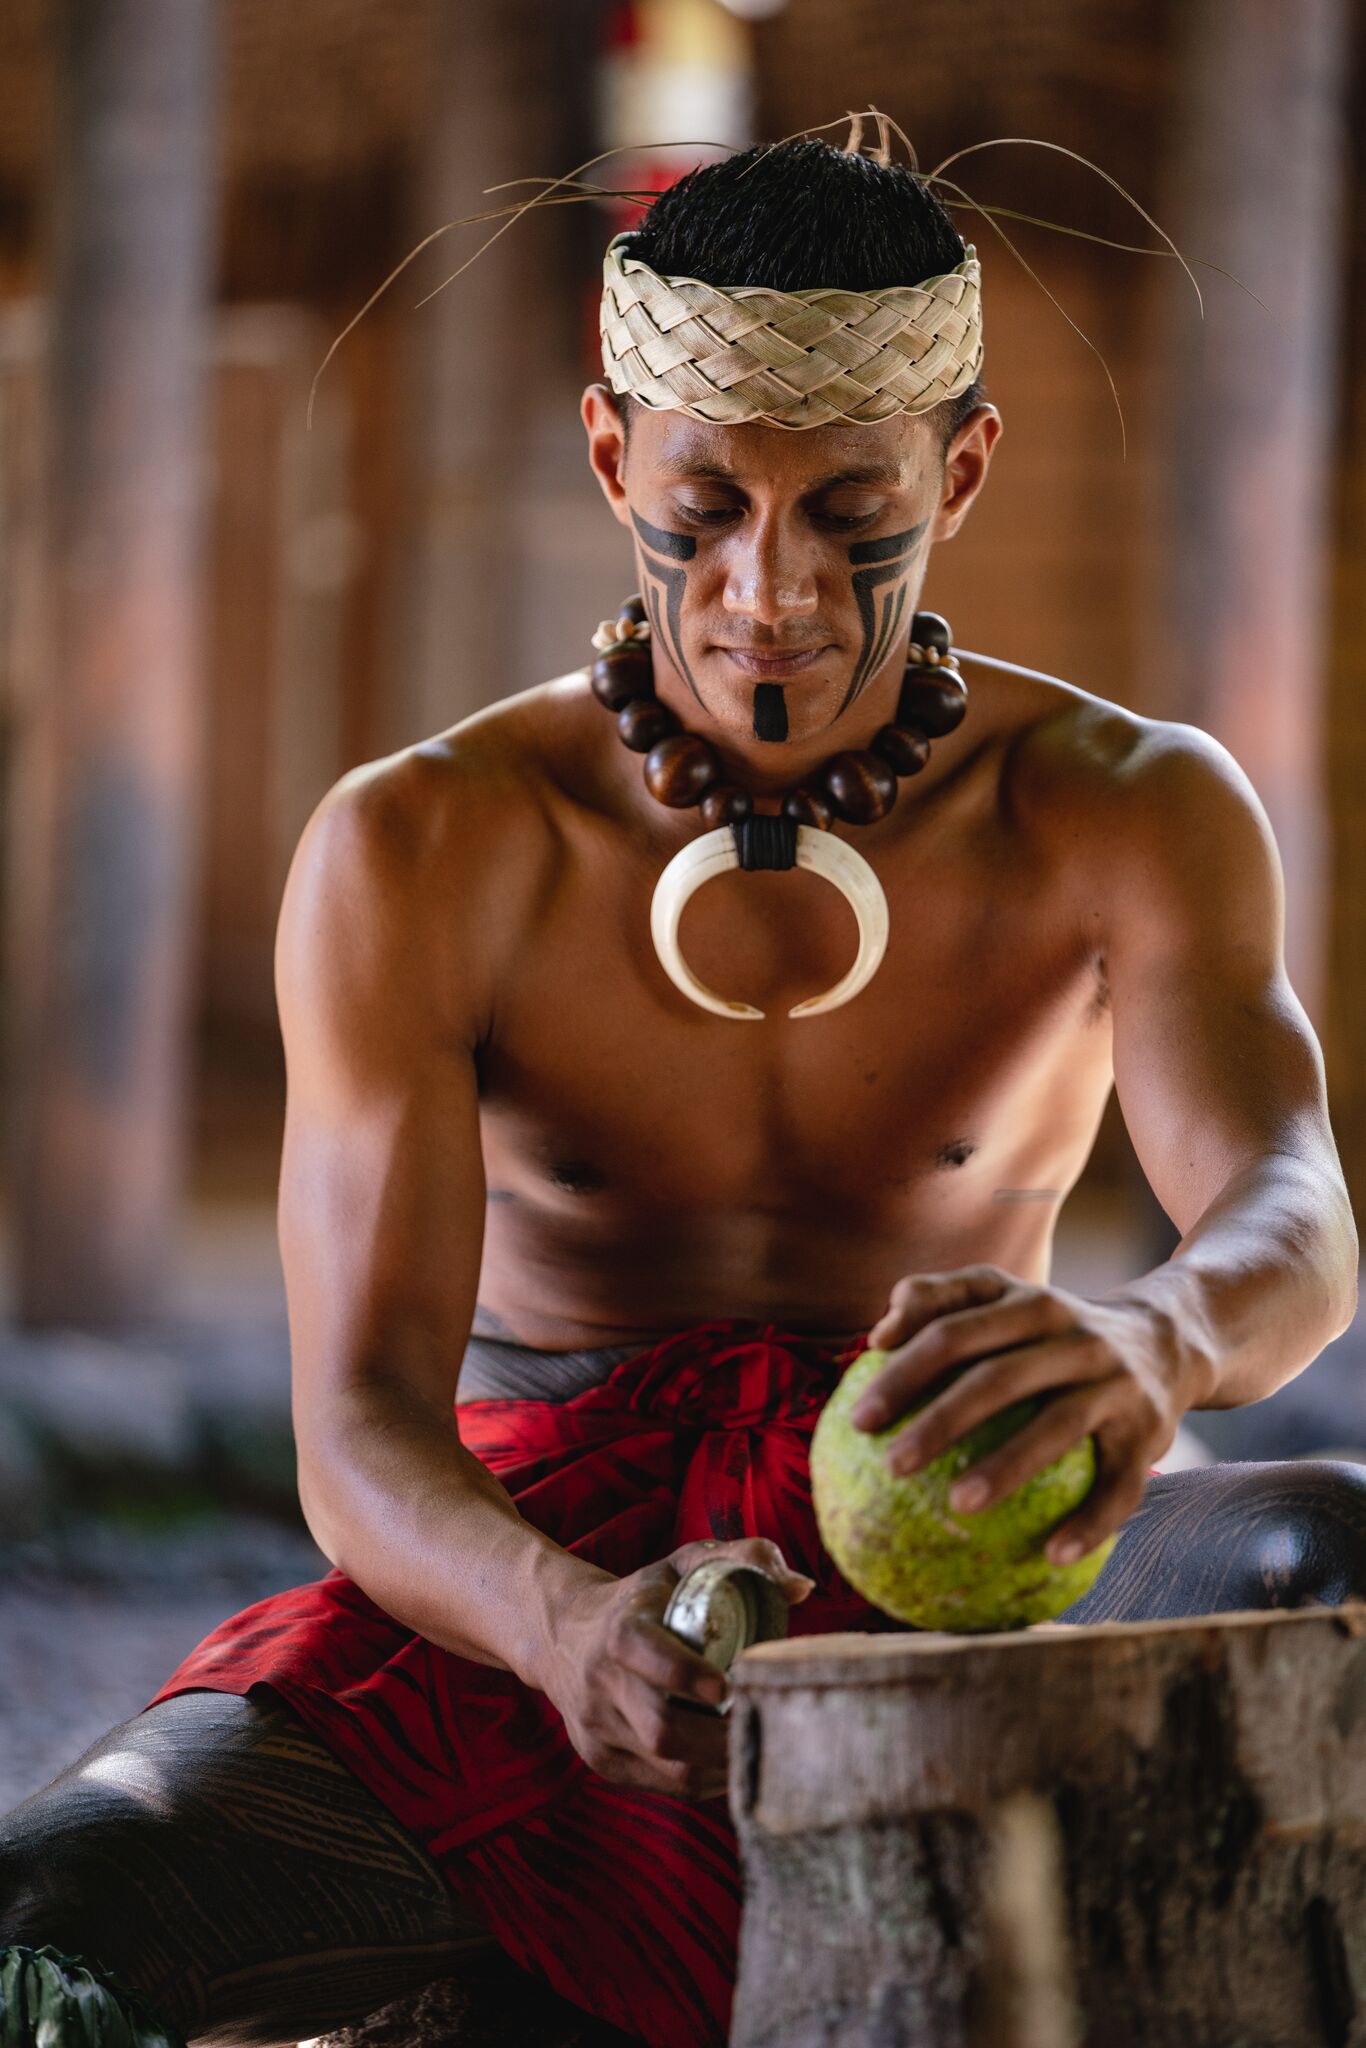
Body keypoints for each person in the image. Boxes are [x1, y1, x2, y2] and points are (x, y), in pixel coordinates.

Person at [2, 135, 1362, 2048]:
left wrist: (1148, 1344)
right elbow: (357, 1432)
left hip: (980, 1524)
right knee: (43, 1926)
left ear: (960, 471)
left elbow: (1295, 1211)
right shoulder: (424, 842)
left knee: (1329, 1557)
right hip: (534, 1563)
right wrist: (561, 1625)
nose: (768, 588)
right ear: (607, 458)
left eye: (849, 506)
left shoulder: (1130, 808)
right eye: (706, 499)